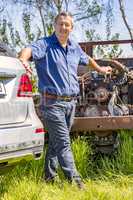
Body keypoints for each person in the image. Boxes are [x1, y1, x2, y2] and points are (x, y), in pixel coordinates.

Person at [18, 11, 112, 189]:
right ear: (54, 26)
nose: (63, 27)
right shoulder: (45, 44)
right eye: (60, 24)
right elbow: (28, 49)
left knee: (55, 142)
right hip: (51, 103)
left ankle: (49, 178)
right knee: (63, 143)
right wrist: (23, 60)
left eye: (66, 24)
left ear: (71, 27)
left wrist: (100, 69)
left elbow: (87, 59)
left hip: (71, 103)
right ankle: (77, 184)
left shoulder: (74, 47)